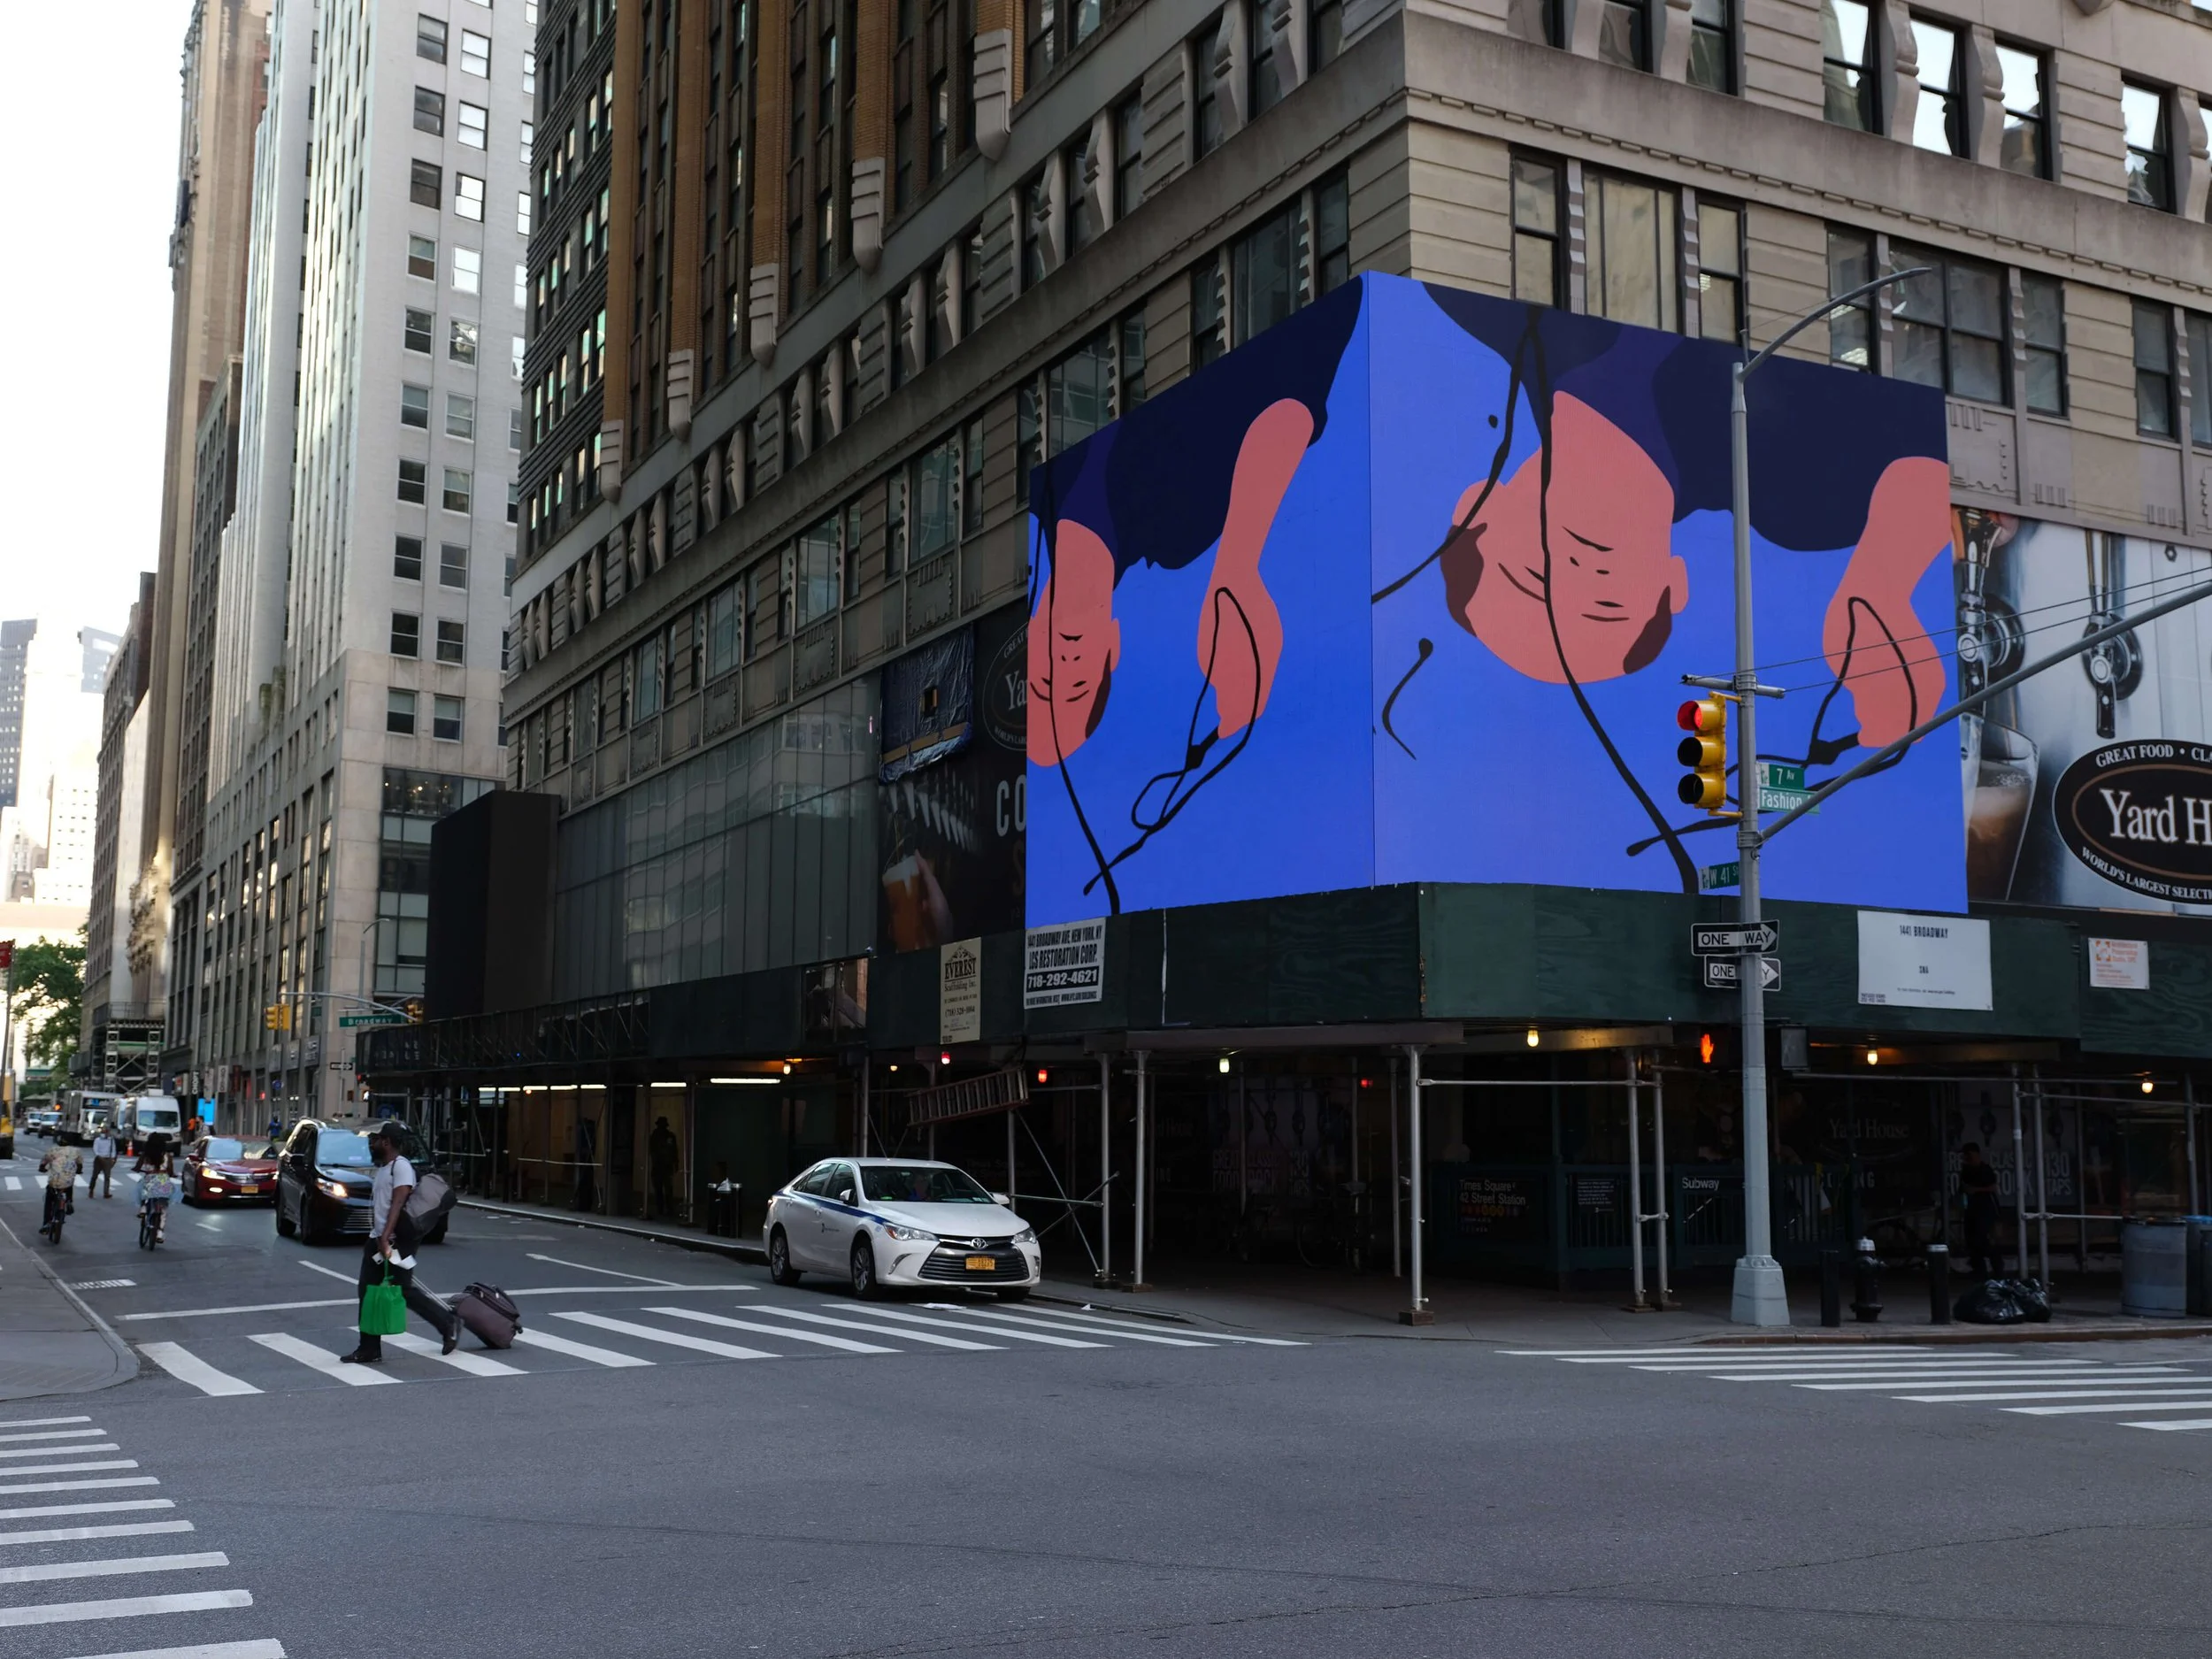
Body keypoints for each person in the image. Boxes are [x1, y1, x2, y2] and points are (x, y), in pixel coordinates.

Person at [341, 1121, 458, 1364]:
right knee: (367, 1291)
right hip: (378, 1239)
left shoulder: (401, 1167)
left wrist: (386, 1238)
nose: (372, 1144)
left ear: (387, 1142)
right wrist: (377, 1237)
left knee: (403, 1288)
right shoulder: (384, 1167)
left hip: (396, 1241)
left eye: (376, 1140)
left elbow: (398, 1202)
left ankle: (448, 1323)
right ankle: (369, 1348)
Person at [1959, 1142, 2003, 1279]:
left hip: (1986, 1210)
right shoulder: (1966, 1170)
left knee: (1985, 1241)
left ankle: (1997, 1270)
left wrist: (1976, 1190)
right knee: (1972, 1242)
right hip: (1972, 1210)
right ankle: (1980, 1272)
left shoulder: (1985, 1169)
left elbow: (1993, 1187)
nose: (1968, 1159)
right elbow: (1964, 1187)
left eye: (1970, 1155)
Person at [38, 1141, 82, 1235]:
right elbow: (80, 1164)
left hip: (55, 1183)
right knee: (69, 1184)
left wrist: (42, 1168)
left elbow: (44, 1163)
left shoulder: (53, 1151)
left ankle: (46, 1223)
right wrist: (78, 1171)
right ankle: (69, 1201)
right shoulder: (76, 1151)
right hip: (67, 1183)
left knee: (49, 1200)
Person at [648, 1116, 680, 1218]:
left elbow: (652, 1151)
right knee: (665, 1188)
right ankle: (666, 1208)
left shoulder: (656, 1136)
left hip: (661, 1165)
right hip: (664, 1165)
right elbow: (674, 1151)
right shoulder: (667, 1136)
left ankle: (662, 1208)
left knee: (661, 1189)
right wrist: (675, 1163)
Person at [88, 1125, 118, 1198]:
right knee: (95, 1176)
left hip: (107, 1159)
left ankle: (106, 1193)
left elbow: (113, 1149)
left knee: (107, 1177)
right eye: (103, 1132)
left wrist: (113, 1159)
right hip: (99, 1159)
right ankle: (91, 1190)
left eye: (106, 1132)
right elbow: (95, 1150)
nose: (105, 1133)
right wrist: (99, 1157)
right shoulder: (97, 1140)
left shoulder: (111, 1140)